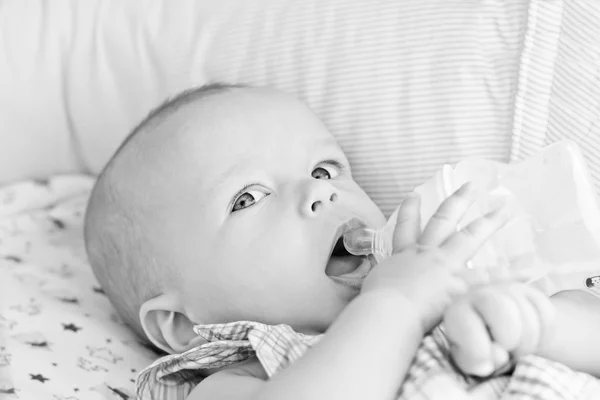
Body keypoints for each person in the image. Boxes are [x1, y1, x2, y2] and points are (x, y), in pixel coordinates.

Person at [84, 84, 600, 400]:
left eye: (324, 168)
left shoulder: (439, 283)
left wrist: (536, 322)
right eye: (248, 197)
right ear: (182, 325)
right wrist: (395, 304)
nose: (318, 191)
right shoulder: (238, 378)